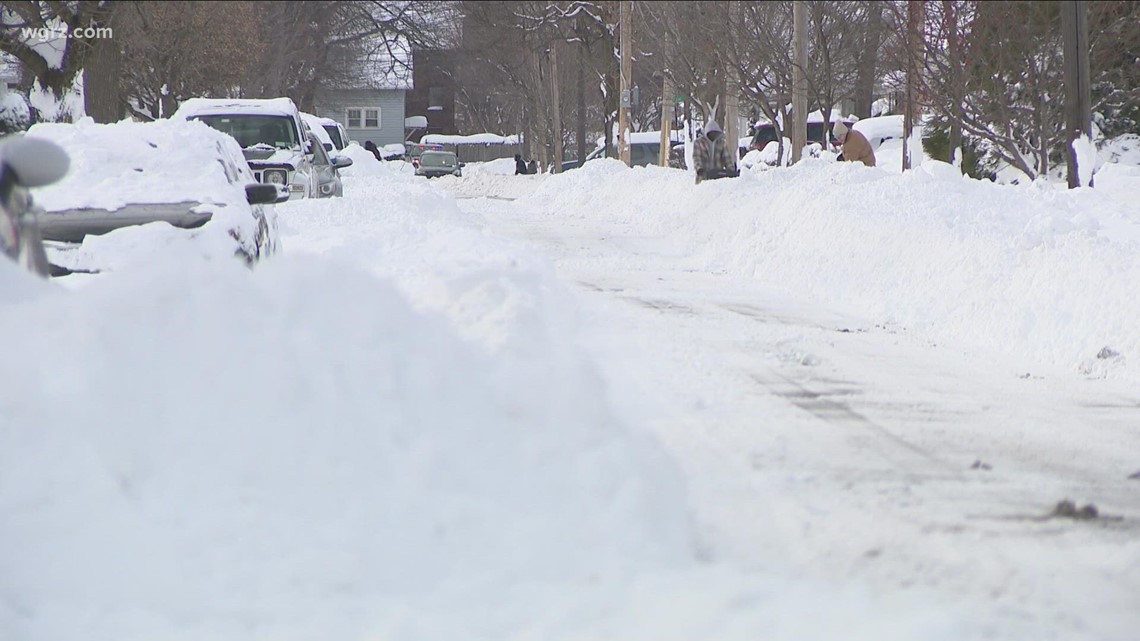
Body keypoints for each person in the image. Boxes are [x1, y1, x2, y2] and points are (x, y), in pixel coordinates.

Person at [692, 120, 737, 184]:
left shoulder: (721, 143)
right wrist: (700, 169)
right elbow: (697, 157)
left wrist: (730, 170)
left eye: (716, 133)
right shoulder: (699, 143)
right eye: (712, 132)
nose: (714, 135)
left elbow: (727, 158)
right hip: (703, 178)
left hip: (718, 178)